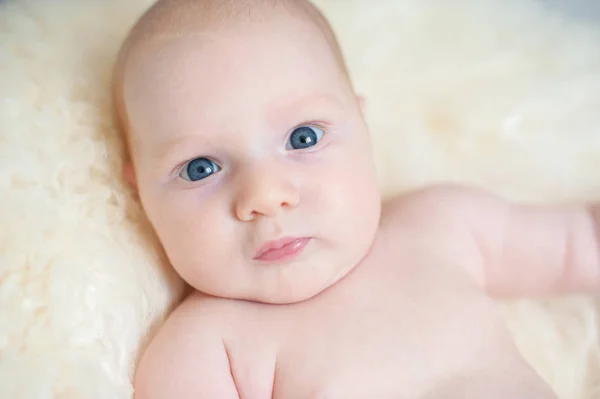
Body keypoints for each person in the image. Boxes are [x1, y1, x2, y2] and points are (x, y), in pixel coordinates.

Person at [112, 0, 599, 397]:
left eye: (303, 138)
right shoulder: (207, 348)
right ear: (140, 193)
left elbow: (582, 243)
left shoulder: (442, 226)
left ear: (363, 127)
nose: (265, 197)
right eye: (201, 168)